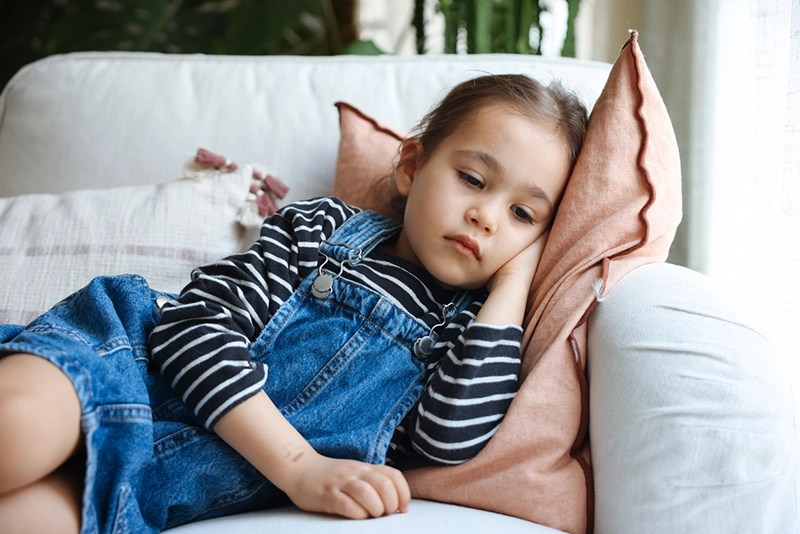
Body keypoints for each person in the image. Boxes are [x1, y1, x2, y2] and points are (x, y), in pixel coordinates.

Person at [0, 74, 588, 533]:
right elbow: (190, 329)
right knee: (19, 427)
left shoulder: (468, 334)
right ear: (412, 166)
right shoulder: (324, 229)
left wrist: (513, 287)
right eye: (474, 179)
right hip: (122, 361)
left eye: (522, 215)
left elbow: (449, 441)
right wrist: (299, 467)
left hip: (171, 474)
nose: (485, 216)